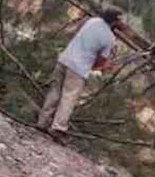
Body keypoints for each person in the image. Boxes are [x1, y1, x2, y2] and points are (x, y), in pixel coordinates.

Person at [37, 7, 123, 135]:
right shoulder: (109, 38)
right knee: (68, 97)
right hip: (78, 68)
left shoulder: (91, 21)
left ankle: (42, 122)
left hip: (65, 58)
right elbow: (101, 60)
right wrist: (101, 66)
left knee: (54, 91)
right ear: (115, 21)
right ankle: (58, 127)